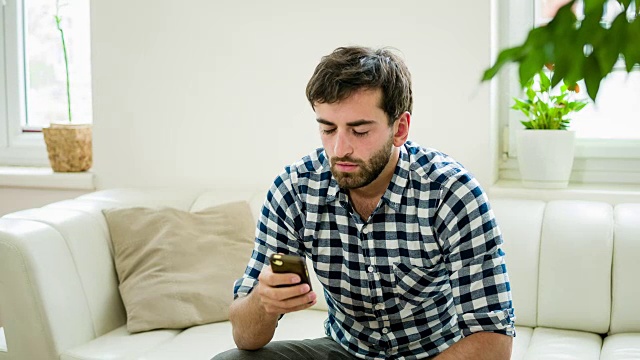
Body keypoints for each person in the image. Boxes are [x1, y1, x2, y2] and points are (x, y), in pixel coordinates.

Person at [214, 46, 515, 360]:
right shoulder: (296, 191)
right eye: (328, 128)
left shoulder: (451, 192)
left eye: (359, 130)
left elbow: (493, 340)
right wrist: (264, 301)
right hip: (345, 351)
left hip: (436, 353)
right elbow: (245, 338)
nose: (340, 148)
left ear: (399, 129)